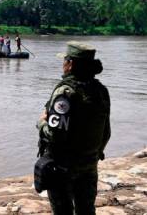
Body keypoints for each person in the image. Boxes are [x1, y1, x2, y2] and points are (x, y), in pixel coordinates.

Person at [36, 41, 111, 215]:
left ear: (70, 64)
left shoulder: (65, 92)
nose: (63, 65)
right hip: (89, 164)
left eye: (65, 61)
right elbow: (106, 132)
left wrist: (41, 123)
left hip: (63, 167)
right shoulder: (100, 91)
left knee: (63, 211)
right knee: (86, 210)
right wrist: (94, 155)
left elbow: (54, 135)